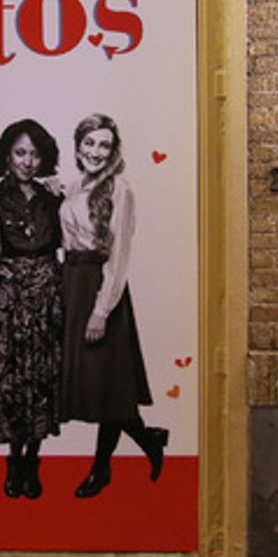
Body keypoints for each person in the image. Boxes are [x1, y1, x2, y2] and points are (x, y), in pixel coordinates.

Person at [59, 113, 167, 498]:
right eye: (89, 143)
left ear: (113, 151)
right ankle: (149, 439)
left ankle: (101, 469)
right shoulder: (71, 187)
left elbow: (119, 255)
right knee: (103, 387)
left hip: (100, 289)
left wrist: (101, 310)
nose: (95, 151)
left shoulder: (121, 190)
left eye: (104, 145)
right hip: (70, 285)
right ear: (77, 145)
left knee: (109, 388)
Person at [0, 119, 64, 499]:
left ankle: (34, 457)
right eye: (20, 152)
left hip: (46, 296)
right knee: (10, 379)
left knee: (42, 376)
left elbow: (73, 240)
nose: (28, 161)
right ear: (6, 156)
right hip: (7, 300)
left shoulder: (53, 198)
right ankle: (14, 458)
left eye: (35, 153)